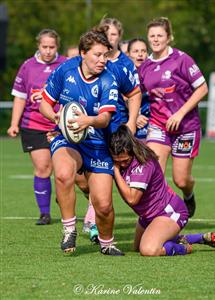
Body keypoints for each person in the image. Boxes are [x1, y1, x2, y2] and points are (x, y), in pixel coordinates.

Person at [40, 26, 124, 256]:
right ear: (82, 53)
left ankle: (107, 243)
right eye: (97, 55)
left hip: (97, 143)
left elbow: (105, 119)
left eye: (106, 55)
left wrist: (88, 120)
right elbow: (44, 103)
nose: (102, 60)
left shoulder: (108, 79)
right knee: (64, 174)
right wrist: (56, 117)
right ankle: (69, 230)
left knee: (104, 205)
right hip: (68, 139)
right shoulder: (64, 70)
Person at [109, 125, 215, 256]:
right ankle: (195, 238)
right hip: (147, 216)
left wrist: (115, 170)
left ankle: (184, 248)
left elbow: (132, 199)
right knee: (137, 248)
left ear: (132, 151)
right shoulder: (123, 156)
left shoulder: (143, 163)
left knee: (149, 250)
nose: (121, 164)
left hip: (169, 211)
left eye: (124, 161)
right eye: (117, 161)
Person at [138, 17, 208, 218]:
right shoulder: (145, 66)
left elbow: (202, 88)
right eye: (152, 36)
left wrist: (180, 113)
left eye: (160, 35)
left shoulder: (182, 59)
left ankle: (188, 193)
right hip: (158, 125)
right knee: (154, 173)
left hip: (186, 127)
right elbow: (135, 95)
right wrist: (135, 117)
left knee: (181, 179)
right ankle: (161, 214)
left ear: (169, 37)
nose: (156, 39)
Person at [79, 18, 142, 239]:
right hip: (91, 129)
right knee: (84, 179)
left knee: (114, 176)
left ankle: (98, 222)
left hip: (116, 129)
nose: (110, 37)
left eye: (114, 34)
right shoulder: (88, 63)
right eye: (105, 33)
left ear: (119, 37)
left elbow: (134, 94)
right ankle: (94, 212)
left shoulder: (124, 65)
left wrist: (132, 122)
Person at [7, 29, 66, 225]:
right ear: (38, 46)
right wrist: (14, 124)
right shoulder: (27, 67)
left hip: (60, 124)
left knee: (63, 171)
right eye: (44, 47)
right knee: (43, 168)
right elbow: (20, 97)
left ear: (57, 46)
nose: (48, 51)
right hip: (33, 124)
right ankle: (44, 213)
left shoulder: (65, 64)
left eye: (52, 47)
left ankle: (63, 197)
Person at [127, 38, 149, 141]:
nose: (140, 54)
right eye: (136, 51)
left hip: (151, 128)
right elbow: (120, 100)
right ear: (128, 54)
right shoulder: (123, 75)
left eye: (143, 51)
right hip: (128, 127)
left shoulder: (153, 75)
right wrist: (135, 116)